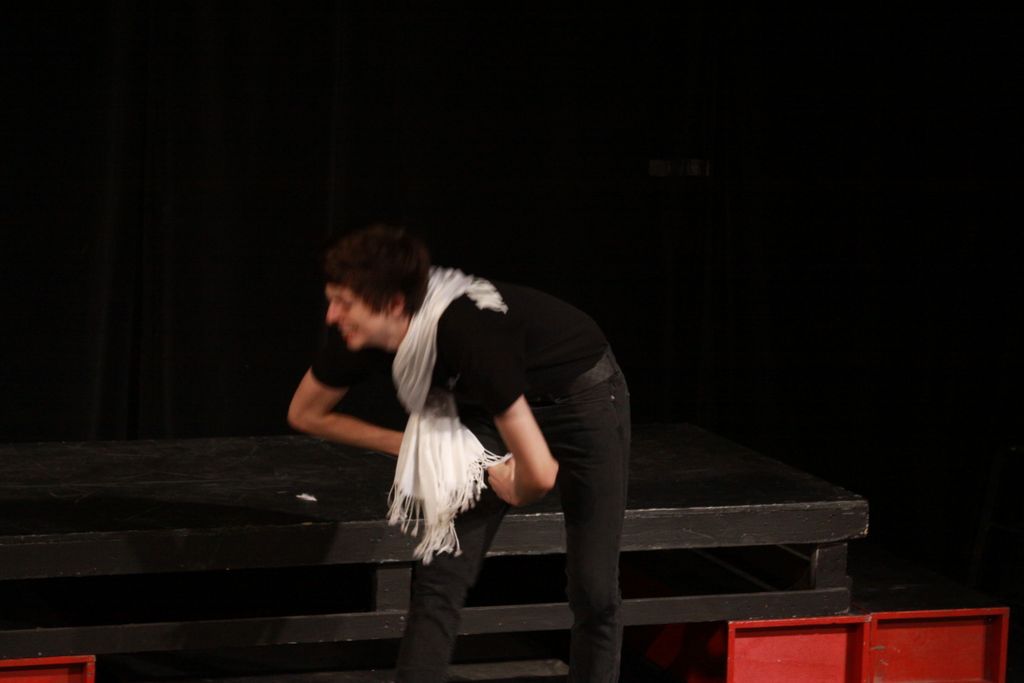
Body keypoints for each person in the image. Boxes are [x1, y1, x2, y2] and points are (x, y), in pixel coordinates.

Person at [288, 224, 630, 682]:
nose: (332, 315)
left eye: (344, 303)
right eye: (332, 300)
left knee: (593, 588)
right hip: (485, 409)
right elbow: (306, 414)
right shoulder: (359, 334)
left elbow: (540, 475)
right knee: (440, 576)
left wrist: (515, 487)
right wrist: (419, 447)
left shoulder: (466, 332)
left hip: (581, 395)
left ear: (393, 304)